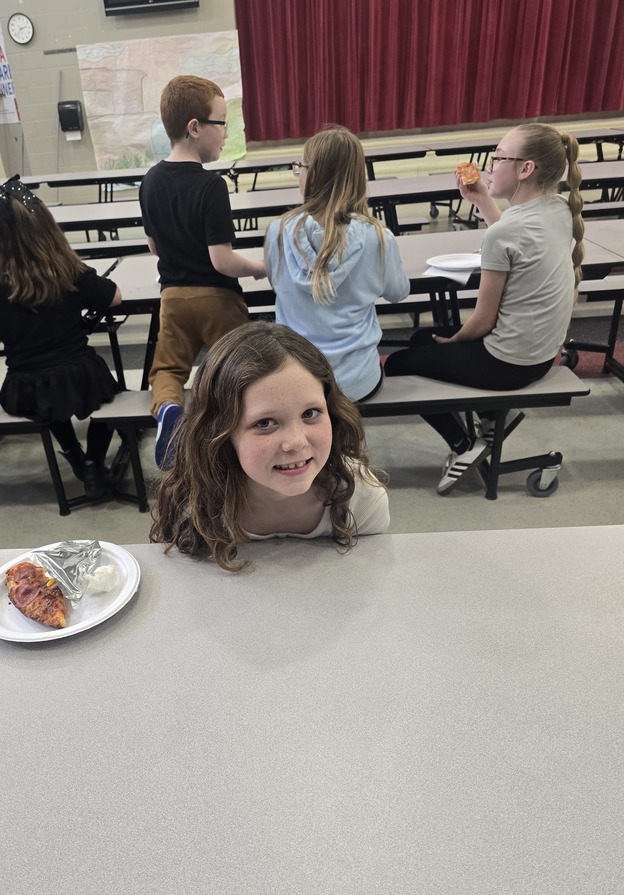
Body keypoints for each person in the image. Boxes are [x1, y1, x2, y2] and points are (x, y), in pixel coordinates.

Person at [384, 123, 585, 495]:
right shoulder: (558, 208)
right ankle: (490, 420)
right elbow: (515, 238)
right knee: (422, 339)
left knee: (400, 362)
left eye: (498, 158)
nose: (490, 166)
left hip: (507, 365)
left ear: (526, 169)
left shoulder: (504, 233)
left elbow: (481, 322)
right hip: (540, 356)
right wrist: (481, 200)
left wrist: (452, 341)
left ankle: (465, 446)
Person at [150, 322, 390, 571]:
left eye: (310, 413)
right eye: (265, 423)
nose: (296, 442)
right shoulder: (196, 505)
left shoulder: (362, 500)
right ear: (219, 433)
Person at [0, 175, 122, 499]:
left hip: (25, 384)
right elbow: (114, 298)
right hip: (80, 374)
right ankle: (92, 464)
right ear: (47, 228)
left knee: (47, 406)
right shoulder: (66, 267)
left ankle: (73, 454)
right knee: (116, 395)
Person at [139, 74, 266, 467]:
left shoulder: (149, 181)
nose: (226, 133)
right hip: (218, 299)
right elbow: (221, 260)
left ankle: (168, 414)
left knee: (166, 371)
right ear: (195, 128)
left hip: (173, 297)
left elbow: (153, 245)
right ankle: (231, 445)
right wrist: (261, 268)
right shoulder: (211, 186)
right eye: (221, 122)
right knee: (237, 372)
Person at [265, 125, 410, 402]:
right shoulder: (378, 237)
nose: (299, 174)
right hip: (357, 379)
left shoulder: (278, 232)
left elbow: (276, 282)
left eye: (300, 167)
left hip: (296, 378)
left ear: (312, 175)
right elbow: (398, 292)